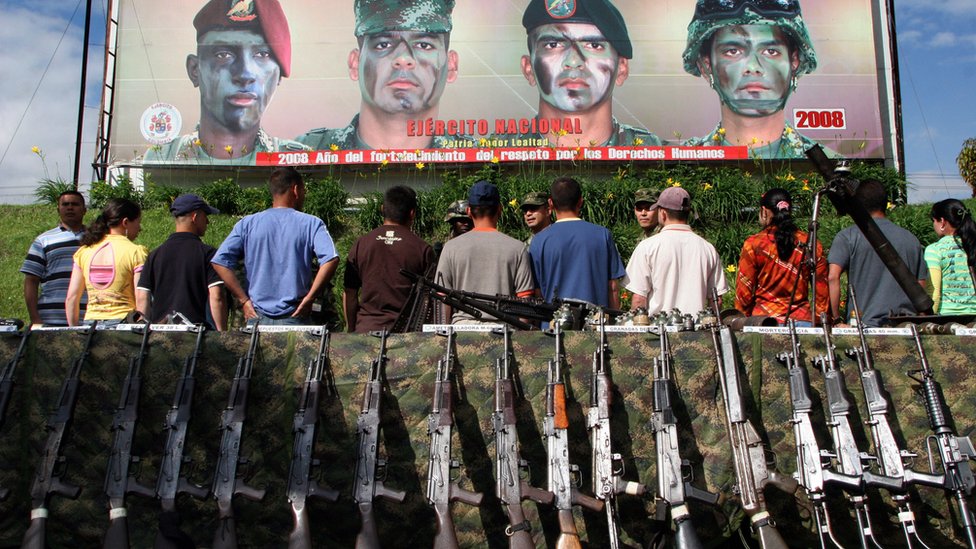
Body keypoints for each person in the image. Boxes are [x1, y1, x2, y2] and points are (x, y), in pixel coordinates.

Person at [144, 0, 309, 164]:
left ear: (278, 75)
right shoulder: (162, 158)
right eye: (223, 55)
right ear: (195, 70)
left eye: (262, 55)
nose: (245, 74)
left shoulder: (299, 161)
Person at [681, 0, 837, 158]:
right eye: (733, 51)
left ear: (794, 62)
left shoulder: (833, 170)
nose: (753, 67)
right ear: (707, 67)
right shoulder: (678, 166)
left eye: (771, 51)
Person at [297, 0, 460, 151]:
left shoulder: (482, 163)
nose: (403, 59)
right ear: (355, 64)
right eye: (383, 45)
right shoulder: (302, 156)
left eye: (424, 45)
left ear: (452, 66)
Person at [512, 0, 662, 148]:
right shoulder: (493, 155)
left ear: (621, 69)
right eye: (553, 45)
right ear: (528, 68)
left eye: (594, 45)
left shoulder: (662, 158)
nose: (573, 61)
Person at [212, 167, 339, 324]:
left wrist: (243, 300)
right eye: (303, 190)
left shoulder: (247, 223)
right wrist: (311, 297)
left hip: (256, 316)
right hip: (295, 315)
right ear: (296, 190)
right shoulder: (311, 223)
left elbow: (219, 261)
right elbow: (331, 259)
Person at [827, 179, 927, 326]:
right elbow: (920, 285)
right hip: (905, 327)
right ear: (885, 202)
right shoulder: (910, 239)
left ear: (857, 204)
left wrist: (836, 319)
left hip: (864, 327)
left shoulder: (848, 236)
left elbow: (833, 277)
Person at [435, 181, 535, 324]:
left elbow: (442, 298)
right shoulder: (517, 248)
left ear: (469, 211)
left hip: (461, 333)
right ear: (500, 210)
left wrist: (444, 337)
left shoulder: (451, 247)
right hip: (503, 334)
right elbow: (524, 301)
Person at [344, 185, 435, 332]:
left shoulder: (361, 244)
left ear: (382, 209)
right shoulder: (422, 248)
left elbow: (350, 292)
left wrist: (351, 329)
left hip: (366, 330)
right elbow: (428, 299)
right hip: (405, 335)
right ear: (412, 213)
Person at [625, 186, 727, 315]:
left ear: (662, 213)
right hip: (697, 330)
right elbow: (716, 300)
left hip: (658, 331)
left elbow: (639, 300)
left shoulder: (647, 247)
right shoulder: (708, 248)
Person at [529, 177, 626, 308]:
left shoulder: (539, 241)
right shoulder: (603, 235)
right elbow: (613, 287)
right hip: (595, 323)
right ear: (580, 201)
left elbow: (537, 293)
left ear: (550, 203)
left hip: (553, 323)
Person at [734, 188, 827, 325]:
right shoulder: (811, 243)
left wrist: (741, 320)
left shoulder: (754, 244)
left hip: (764, 321)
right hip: (801, 320)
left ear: (764, 211)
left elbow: (744, 293)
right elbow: (822, 291)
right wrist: (821, 321)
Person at [136, 194, 227, 330]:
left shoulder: (155, 255)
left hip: (159, 335)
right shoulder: (207, 254)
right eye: (205, 216)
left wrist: (144, 332)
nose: (207, 222)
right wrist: (221, 333)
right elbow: (216, 296)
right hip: (194, 336)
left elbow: (142, 297)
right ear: (195, 217)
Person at [65, 198, 147, 326]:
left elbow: (72, 298)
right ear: (125, 222)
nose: (140, 228)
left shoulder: (83, 252)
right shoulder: (136, 252)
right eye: (138, 222)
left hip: (90, 324)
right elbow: (141, 297)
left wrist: (74, 330)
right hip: (123, 323)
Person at [21, 191, 88, 326]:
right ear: (58, 209)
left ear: (84, 210)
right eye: (65, 204)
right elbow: (31, 281)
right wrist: (35, 319)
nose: (70, 207)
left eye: (75, 204)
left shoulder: (98, 239)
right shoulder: (43, 240)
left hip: (89, 317)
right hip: (51, 318)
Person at [925, 199, 976, 314]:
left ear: (942, 222)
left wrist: (928, 319)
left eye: (934, 221)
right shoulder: (972, 245)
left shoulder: (934, 250)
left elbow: (934, 292)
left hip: (948, 320)